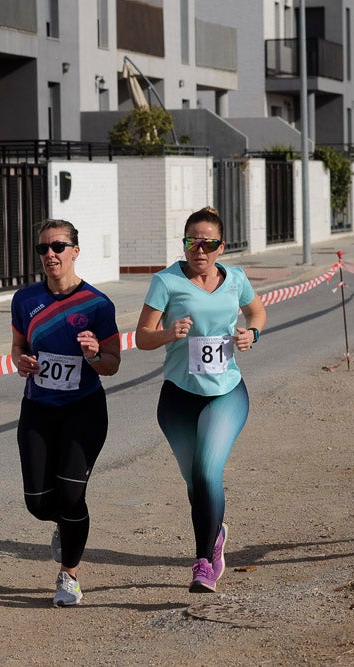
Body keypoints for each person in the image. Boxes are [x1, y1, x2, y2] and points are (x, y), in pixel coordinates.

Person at [135, 206, 267, 592]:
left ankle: (203, 562)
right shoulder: (166, 281)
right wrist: (168, 333)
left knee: (209, 471)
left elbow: (257, 313)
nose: (200, 249)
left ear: (221, 246)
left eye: (208, 242)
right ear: (185, 244)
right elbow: (142, 337)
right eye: (193, 241)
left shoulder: (236, 278)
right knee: (196, 484)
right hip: (178, 397)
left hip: (226, 392)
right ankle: (216, 531)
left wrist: (251, 334)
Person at [10, 219, 122, 607]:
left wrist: (93, 354)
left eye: (58, 246)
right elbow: (17, 347)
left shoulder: (97, 305)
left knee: (72, 496)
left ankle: (68, 575)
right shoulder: (25, 300)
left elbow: (113, 364)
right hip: (38, 409)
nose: (50, 255)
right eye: (43, 249)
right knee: (40, 504)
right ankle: (62, 525)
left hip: (83, 411)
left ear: (75, 250)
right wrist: (21, 363)